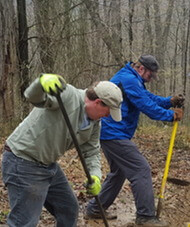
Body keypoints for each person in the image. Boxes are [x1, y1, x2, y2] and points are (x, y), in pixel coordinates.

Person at [1, 73, 123, 227]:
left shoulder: (94, 124)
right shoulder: (68, 96)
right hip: (23, 161)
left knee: (68, 209)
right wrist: (41, 82)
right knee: (24, 222)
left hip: (48, 165)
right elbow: (34, 97)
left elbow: (91, 152)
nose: (107, 116)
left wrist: (95, 175)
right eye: (108, 112)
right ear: (98, 102)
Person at [86, 55, 184, 226]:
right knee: (140, 170)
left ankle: (96, 209)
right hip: (113, 133)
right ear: (141, 69)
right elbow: (146, 106)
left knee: (119, 172)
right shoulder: (129, 79)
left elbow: (148, 98)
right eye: (149, 75)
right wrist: (171, 115)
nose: (150, 79)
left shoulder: (132, 79)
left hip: (113, 133)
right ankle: (145, 216)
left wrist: (168, 102)